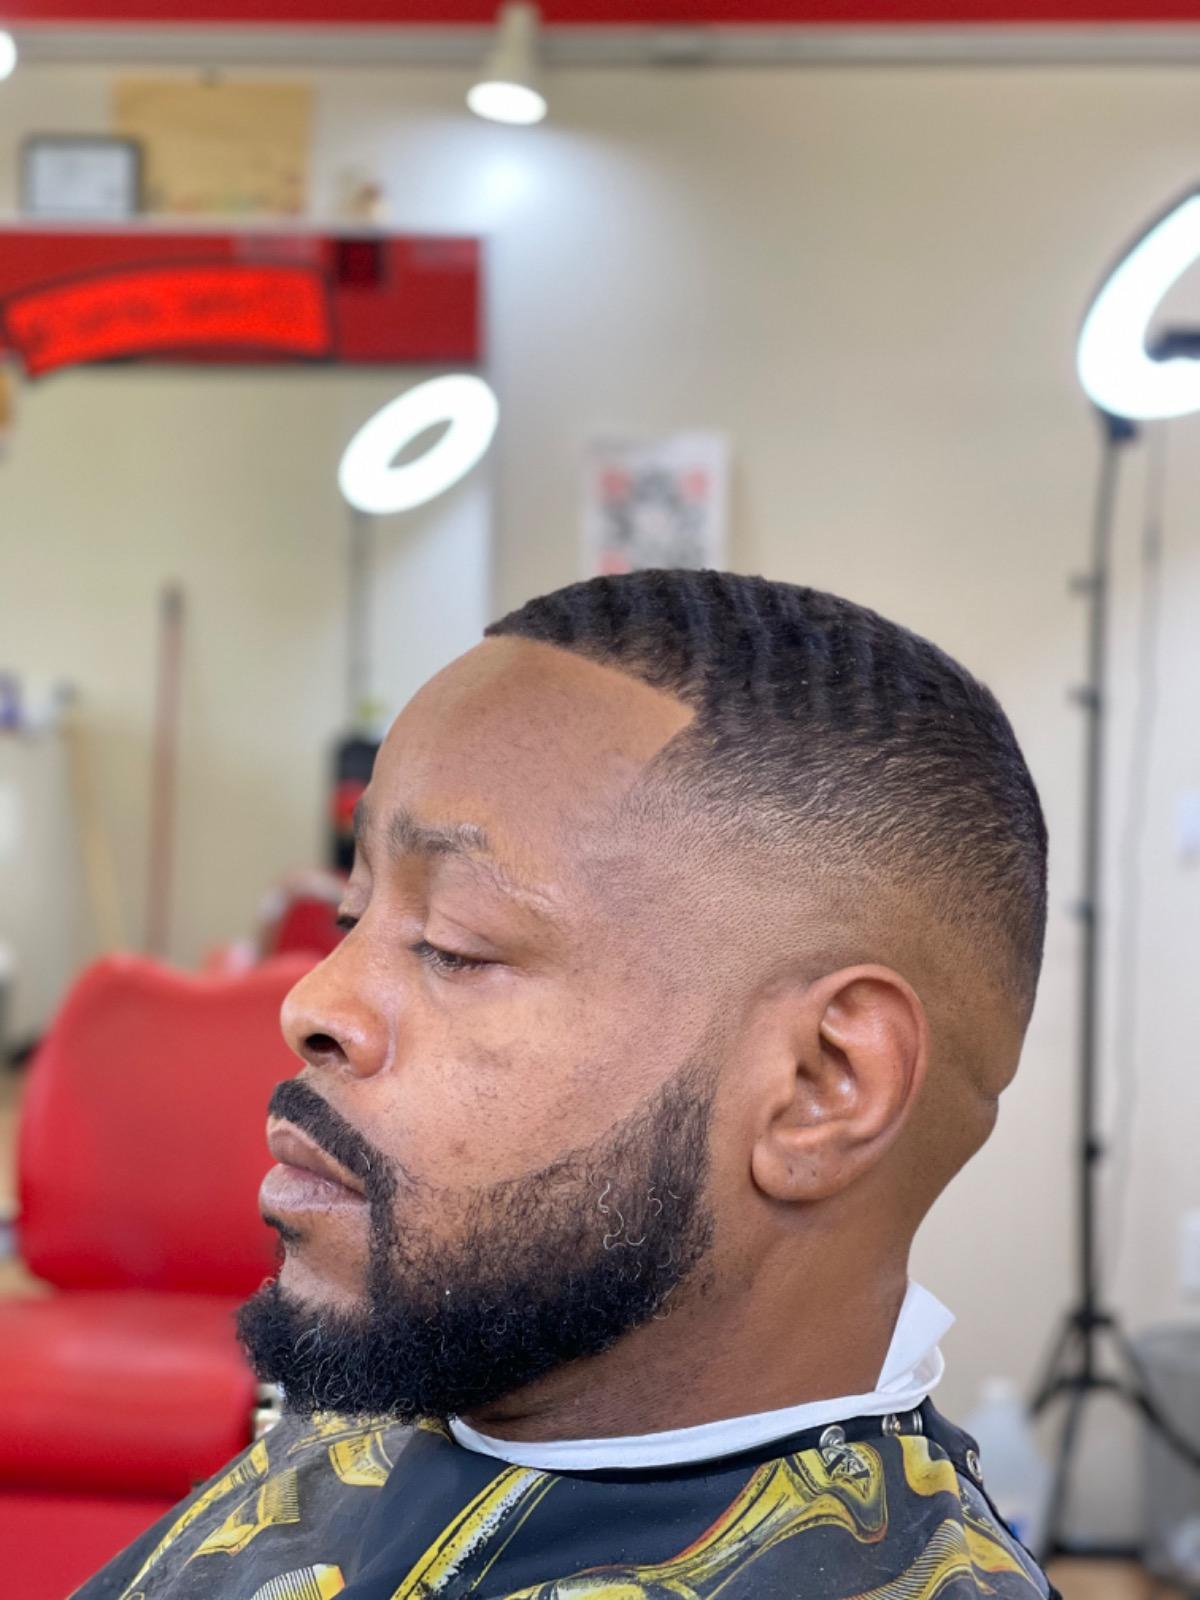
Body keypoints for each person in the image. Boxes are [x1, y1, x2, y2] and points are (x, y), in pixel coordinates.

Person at [78, 570, 1054, 1600]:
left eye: (454, 944)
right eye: (352, 916)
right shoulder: (422, 1387)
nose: (312, 1001)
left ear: (820, 1086)